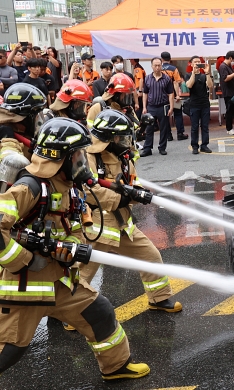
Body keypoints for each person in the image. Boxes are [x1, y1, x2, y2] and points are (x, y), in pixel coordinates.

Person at [0, 118, 150, 380]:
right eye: (79, 155)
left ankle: (117, 367)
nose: (83, 161)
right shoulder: (31, 187)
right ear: (61, 157)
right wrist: (26, 260)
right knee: (9, 350)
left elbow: (75, 229)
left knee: (99, 312)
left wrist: (70, 249)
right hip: (25, 287)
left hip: (60, 280)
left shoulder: (68, 187)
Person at [80, 109, 183, 313]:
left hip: (122, 223)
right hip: (97, 228)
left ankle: (159, 298)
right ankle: (70, 313)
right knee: (82, 273)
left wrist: (138, 193)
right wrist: (122, 197)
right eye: (121, 137)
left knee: (150, 255)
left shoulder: (124, 156)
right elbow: (88, 190)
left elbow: (131, 181)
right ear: (109, 138)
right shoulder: (89, 156)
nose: (126, 141)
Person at [141, 57, 174, 156]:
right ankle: (147, 148)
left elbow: (171, 94)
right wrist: (144, 107)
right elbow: (145, 93)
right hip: (151, 107)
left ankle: (162, 147)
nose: (157, 67)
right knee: (149, 128)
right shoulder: (147, 78)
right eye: (155, 65)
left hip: (163, 106)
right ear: (151, 66)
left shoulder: (167, 78)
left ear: (161, 66)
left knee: (163, 128)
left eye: (159, 65)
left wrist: (171, 107)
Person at [185, 55, 213, 154]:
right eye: (195, 62)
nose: (197, 63)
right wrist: (194, 73)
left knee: (205, 126)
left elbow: (210, 85)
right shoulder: (188, 75)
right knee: (194, 127)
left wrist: (208, 73)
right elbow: (189, 85)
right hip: (194, 105)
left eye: (198, 62)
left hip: (205, 104)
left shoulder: (204, 75)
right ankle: (195, 146)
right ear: (191, 64)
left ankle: (204, 145)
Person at [160, 51, 187, 141]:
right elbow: (177, 81)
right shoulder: (173, 68)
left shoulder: (159, 68)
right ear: (170, 59)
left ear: (162, 59)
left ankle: (168, 135)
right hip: (173, 94)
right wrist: (178, 95)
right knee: (178, 114)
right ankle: (180, 133)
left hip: (163, 95)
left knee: (165, 115)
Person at [219, 51, 234, 136]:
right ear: (230, 58)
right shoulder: (223, 66)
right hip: (228, 93)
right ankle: (229, 128)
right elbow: (225, 78)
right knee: (230, 110)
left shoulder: (229, 66)